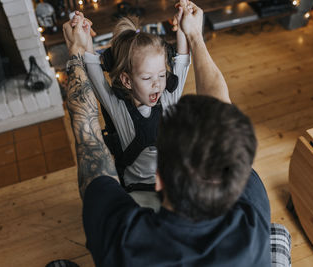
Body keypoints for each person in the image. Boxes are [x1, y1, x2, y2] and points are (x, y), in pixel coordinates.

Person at [62, 0, 271, 266]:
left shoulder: (124, 239)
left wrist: (76, 50)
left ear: (160, 180)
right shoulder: (253, 216)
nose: (157, 85)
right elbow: (220, 107)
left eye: (160, 76)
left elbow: (87, 137)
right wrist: (193, 34)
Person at [69, 7, 190, 210]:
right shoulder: (119, 109)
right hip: (139, 192)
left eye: (161, 75)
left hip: (173, 184)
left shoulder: (169, 98)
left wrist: (183, 28)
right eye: (146, 78)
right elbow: (95, 74)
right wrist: (85, 39)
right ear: (126, 80)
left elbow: (183, 59)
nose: (157, 84)